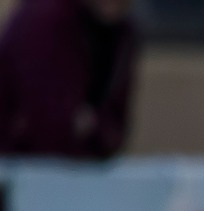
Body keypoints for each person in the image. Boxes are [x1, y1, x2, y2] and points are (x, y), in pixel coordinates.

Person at [0, 0, 135, 159]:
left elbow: (116, 126)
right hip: (21, 161)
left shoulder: (122, 33)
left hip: (79, 163)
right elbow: (43, 120)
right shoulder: (45, 16)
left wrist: (94, 127)